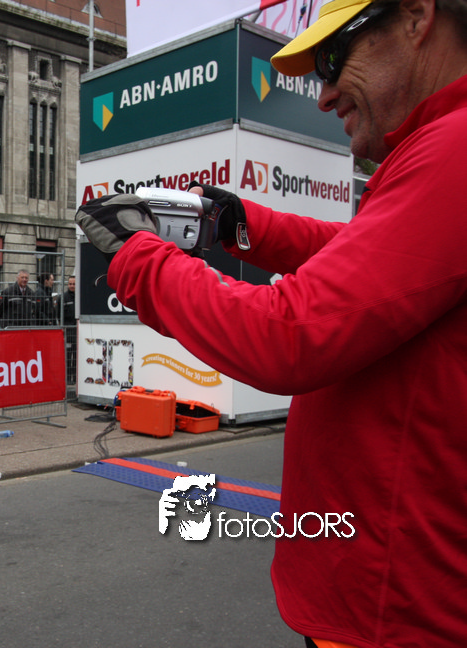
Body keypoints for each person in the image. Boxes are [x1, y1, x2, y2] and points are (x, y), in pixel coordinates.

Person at [76, 1, 467, 645]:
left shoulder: (456, 147)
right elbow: (365, 261)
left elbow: (289, 335)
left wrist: (139, 258)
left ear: (417, 16)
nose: (324, 93)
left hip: (396, 613)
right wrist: (242, 226)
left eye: (333, 58)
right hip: (388, 593)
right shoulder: (442, 145)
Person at [62, 275, 76, 383]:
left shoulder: (80, 297)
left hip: (77, 332)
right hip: (67, 331)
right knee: (67, 356)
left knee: (76, 356)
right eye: (70, 284)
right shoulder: (63, 297)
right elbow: (59, 314)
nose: (72, 286)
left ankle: (75, 378)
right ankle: (67, 378)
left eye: (74, 284)